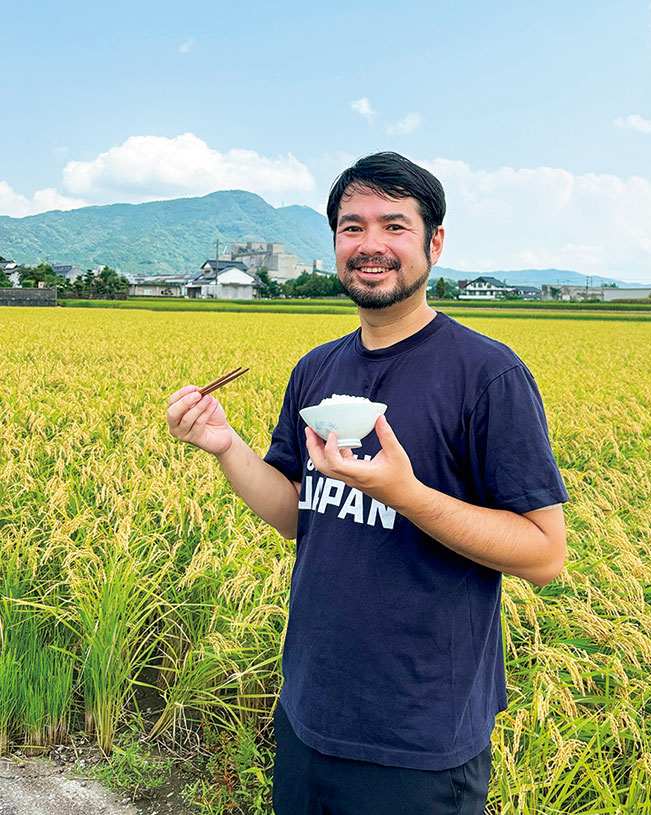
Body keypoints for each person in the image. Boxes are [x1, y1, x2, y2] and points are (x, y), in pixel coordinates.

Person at [167, 152, 569, 815]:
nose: (370, 244)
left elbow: (545, 554)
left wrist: (406, 494)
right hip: (309, 711)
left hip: (418, 738)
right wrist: (225, 444)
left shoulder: (486, 375)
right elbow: (296, 514)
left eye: (394, 225)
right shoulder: (317, 369)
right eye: (352, 227)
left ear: (434, 243)